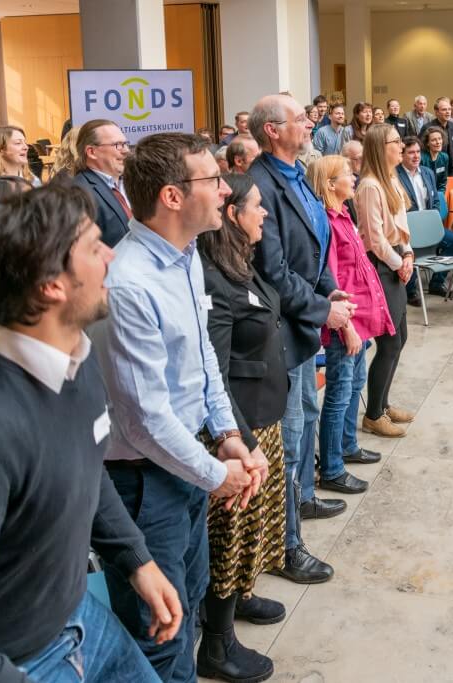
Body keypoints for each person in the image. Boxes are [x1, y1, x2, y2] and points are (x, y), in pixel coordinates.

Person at [0, 183, 182, 682]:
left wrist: (136, 559)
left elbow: (86, 463)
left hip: (84, 620)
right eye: (93, 247)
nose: (111, 253)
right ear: (50, 286)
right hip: (18, 660)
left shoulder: (73, 355)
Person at [96, 133, 261, 682]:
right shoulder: (129, 282)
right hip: (144, 483)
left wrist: (228, 433)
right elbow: (144, 420)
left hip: (186, 463)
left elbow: (203, 360)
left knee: (187, 605)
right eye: (211, 180)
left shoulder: (186, 256)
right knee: (159, 637)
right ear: (172, 196)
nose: (223, 191)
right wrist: (220, 475)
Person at [247, 93, 353, 578]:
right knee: (290, 438)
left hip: (305, 322)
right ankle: (287, 547)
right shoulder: (260, 185)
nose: (309, 124)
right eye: (299, 119)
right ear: (272, 130)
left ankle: (304, 500)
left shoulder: (300, 176)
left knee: (308, 413)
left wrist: (331, 296)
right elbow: (273, 270)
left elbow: (317, 248)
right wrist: (321, 311)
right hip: (283, 329)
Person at [198, 173, 290, 683]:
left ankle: (240, 598)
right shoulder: (213, 277)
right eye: (257, 207)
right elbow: (214, 366)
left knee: (253, 530)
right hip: (239, 429)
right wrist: (239, 439)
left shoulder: (240, 264)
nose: (265, 214)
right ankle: (216, 643)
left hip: (262, 415)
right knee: (229, 535)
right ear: (232, 213)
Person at [309, 155, 392, 492]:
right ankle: (331, 468)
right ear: (330, 184)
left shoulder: (344, 214)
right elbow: (331, 281)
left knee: (355, 381)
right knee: (340, 394)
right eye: (346, 174)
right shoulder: (326, 221)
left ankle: (347, 445)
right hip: (346, 324)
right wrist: (347, 326)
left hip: (360, 319)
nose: (354, 177)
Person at [354, 125, 416, 438]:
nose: (402, 145)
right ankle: (374, 415)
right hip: (381, 265)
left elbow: (400, 228)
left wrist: (407, 253)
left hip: (396, 260)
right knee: (389, 342)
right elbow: (375, 240)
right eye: (396, 141)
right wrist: (399, 263)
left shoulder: (390, 179)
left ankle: (383, 402)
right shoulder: (368, 186)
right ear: (382, 147)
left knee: (400, 337)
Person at [396, 136, 453, 303]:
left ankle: (437, 283)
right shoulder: (395, 176)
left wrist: (434, 219)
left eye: (418, 152)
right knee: (407, 251)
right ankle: (410, 291)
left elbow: (436, 200)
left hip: (429, 226)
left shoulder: (427, 172)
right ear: (402, 155)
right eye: (411, 152)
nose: (416, 156)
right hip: (407, 229)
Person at [73, 118, 132, 246]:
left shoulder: (133, 182)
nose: (126, 150)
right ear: (92, 152)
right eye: (117, 145)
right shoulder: (78, 193)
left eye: (125, 143)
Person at [420, 97, 453, 183]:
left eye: (449, 109)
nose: (448, 112)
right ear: (436, 112)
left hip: (451, 173)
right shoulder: (428, 128)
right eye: (444, 110)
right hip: (433, 174)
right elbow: (422, 151)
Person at [421, 127, 449, 192]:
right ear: (427, 143)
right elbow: (422, 183)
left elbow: (443, 182)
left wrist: (439, 195)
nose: (438, 142)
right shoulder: (421, 159)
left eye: (440, 139)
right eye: (433, 140)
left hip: (438, 194)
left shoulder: (444, 157)